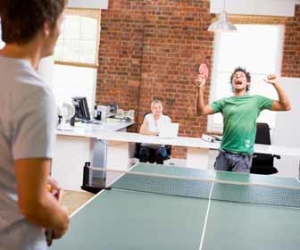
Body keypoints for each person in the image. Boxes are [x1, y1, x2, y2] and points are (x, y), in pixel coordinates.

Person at [0, 0, 69, 249]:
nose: (63, 29)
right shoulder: (35, 93)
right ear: (47, 26)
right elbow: (34, 204)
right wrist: (61, 219)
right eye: (63, 20)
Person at [196, 66, 291, 173]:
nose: (238, 77)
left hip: (243, 156)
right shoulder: (224, 102)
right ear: (232, 83)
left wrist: (276, 84)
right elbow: (201, 111)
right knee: (219, 187)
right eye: (235, 76)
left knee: (238, 189)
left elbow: (286, 106)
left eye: (241, 76)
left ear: (247, 83)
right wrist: (200, 89)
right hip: (224, 154)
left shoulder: (256, 101)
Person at [139, 100, 171, 164]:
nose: (157, 110)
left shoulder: (166, 119)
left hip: (160, 145)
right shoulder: (148, 117)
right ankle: (141, 171)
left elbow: (169, 134)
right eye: (155, 108)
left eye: (159, 107)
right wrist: (155, 133)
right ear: (151, 109)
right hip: (147, 144)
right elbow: (142, 131)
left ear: (162, 108)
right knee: (143, 152)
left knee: (160, 153)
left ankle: (159, 172)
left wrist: (148, 132)